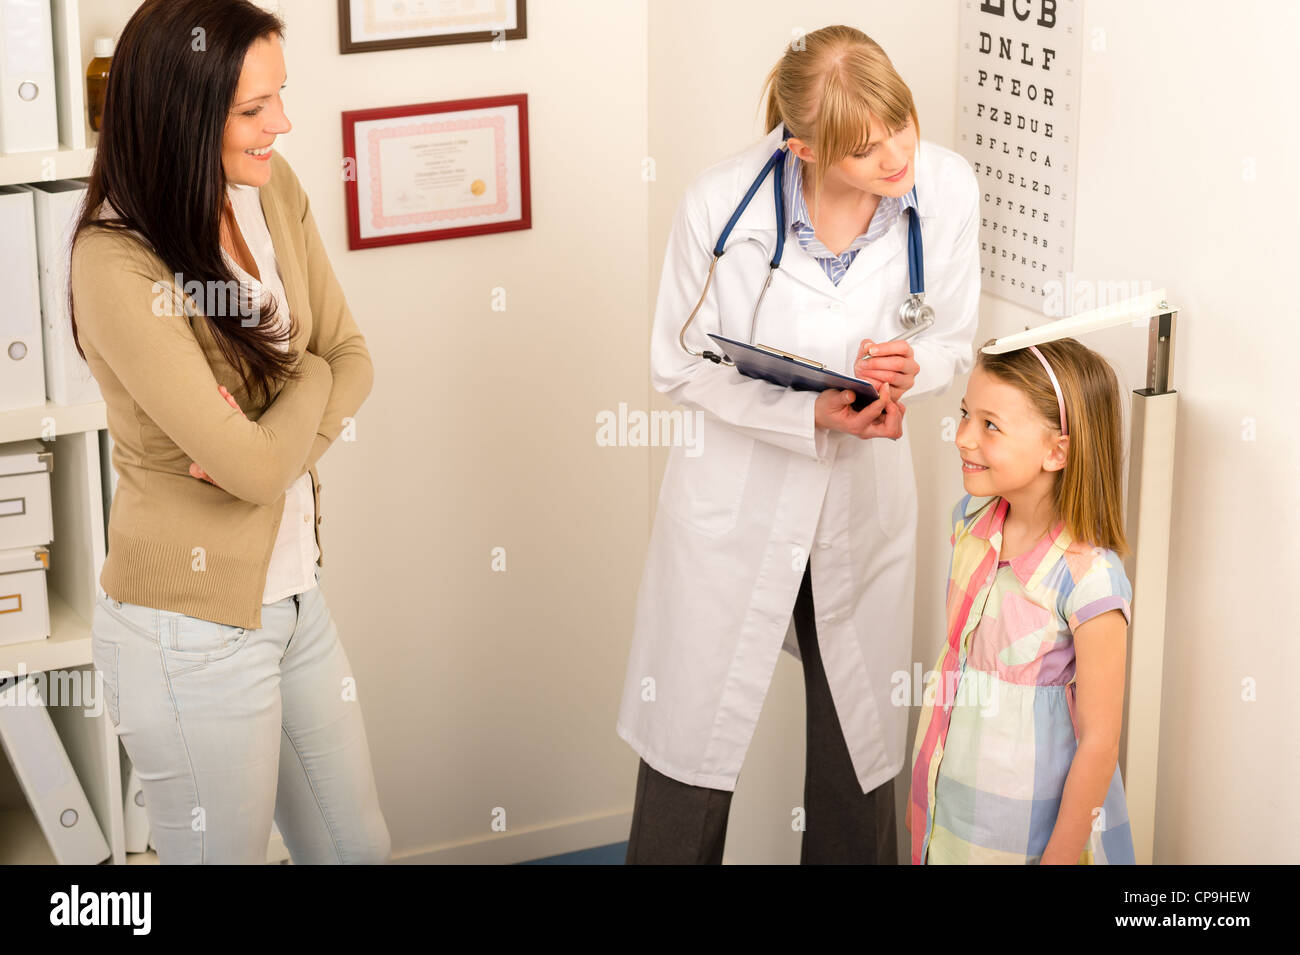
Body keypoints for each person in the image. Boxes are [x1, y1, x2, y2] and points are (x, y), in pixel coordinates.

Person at [618, 24, 980, 864]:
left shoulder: (948, 189)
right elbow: (675, 363)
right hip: (735, 507)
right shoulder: (720, 204)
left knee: (858, 754)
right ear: (805, 147)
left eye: (901, 125)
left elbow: (956, 339)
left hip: (862, 507)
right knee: (691, 744)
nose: (896, 156)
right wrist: (807, 414)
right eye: (865, 148)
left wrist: (910, 369)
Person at [73, 0, 389, 864]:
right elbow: (254, 466)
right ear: (183, 113)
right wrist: (301, 395)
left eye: (279, 97)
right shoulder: (116, 262)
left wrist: (282, 424)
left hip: (295, 591)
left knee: (356, 849)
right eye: (255, 110)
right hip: (187, 627)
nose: (282, 124)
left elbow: (352, 357)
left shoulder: (270, 190)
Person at [907, 337, 1136, 865]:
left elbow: (1100, 744)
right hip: (948, 821)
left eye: (990, 424)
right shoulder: (969, 523)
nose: (962, 436)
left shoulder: (1090, 580)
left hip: (1028, 840)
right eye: (966, 414)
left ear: (1057, 450)